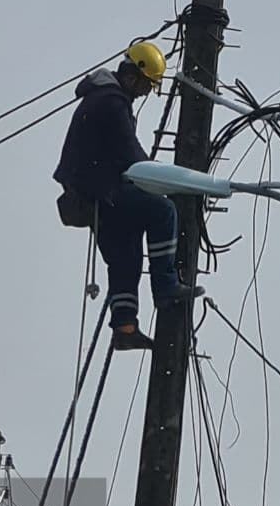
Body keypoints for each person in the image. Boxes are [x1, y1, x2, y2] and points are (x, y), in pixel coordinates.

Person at [54, 42, 203, 350]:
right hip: (102, 190)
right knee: (163, 212)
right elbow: (130, 155)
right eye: (147, 85)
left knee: (126, 256)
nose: (145, 93)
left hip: (92, 195)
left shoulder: (100, 99)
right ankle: (166, 288)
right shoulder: (111, 103)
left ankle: (125, 327)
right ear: (133, 75)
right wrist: (166, 180)